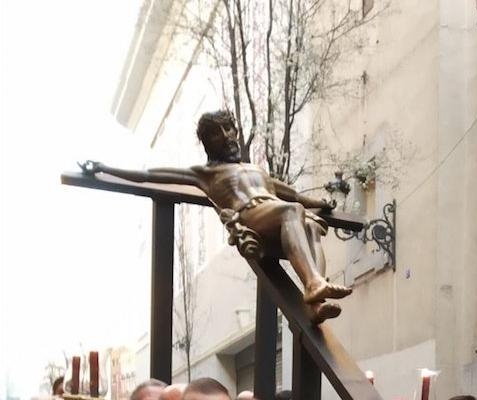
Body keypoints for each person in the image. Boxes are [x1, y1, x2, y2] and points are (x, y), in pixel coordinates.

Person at [80, 110, 351, 323]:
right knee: (294, 211)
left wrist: (322, 204)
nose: (226, 136)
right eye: (216, 133)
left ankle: (316, 305)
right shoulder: (206, 174)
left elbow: (295, 195)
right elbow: (149, 175)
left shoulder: (257, 169)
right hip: (252, 215)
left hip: (280, 215)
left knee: (313, 226)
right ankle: (315, 282)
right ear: (207, 143)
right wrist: (105, 168)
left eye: (228, 128)